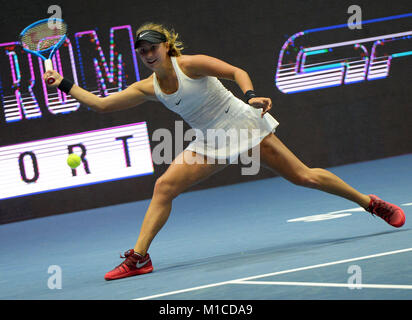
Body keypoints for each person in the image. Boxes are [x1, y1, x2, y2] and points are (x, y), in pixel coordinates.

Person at [44, 23, 406, 281]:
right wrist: (62, 82)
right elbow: (103, 106)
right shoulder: (148, 86)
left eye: (152, 48)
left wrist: (251, 96)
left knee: (303, 176)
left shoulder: (191, 64)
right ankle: (139, 257)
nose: (148, 55)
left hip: (241, 123)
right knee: (165, 187)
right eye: (142, 51)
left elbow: (236, 71)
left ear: (166, 47)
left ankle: (369, 203)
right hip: (209, 141)